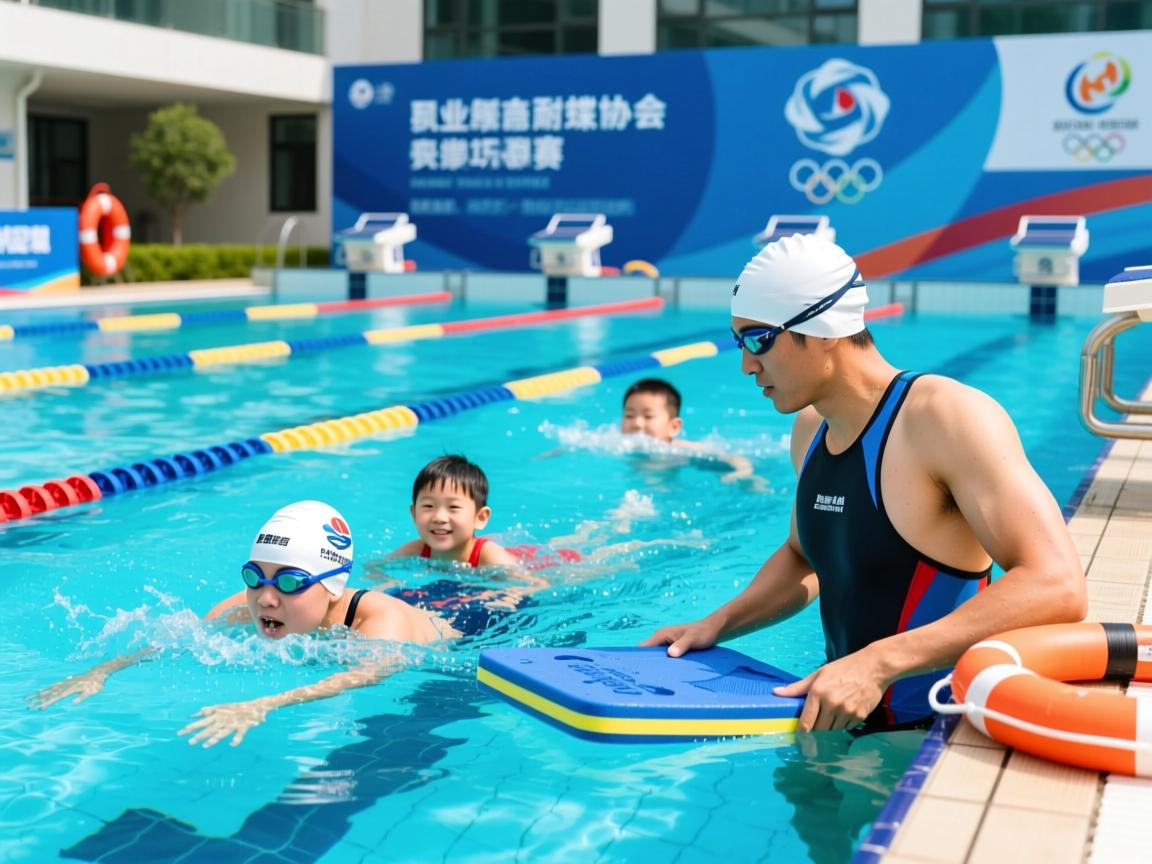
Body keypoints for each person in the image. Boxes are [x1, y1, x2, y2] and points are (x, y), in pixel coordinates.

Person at [641, 233, 1086, 733]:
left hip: (935, 734)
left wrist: (878, 664)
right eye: (739, 341)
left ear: (824, 328)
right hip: (836, 716)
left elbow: (1058, 584)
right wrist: (716, 624)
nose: (746, 363)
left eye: (759, 339)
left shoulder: (945, 417)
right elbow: (804, 556)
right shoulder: (811, 428)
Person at [29, 500, 517, 747]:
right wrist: (103, 670)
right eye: (254, 576)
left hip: (476, 627)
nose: (265, 597)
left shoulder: (379, 619)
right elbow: (179, 635)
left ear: (331, 585)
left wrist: (265, 703)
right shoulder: (255, 604)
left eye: (288, 582)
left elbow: (365, 676)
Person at [620, 377, 760, 486]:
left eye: (648, 416)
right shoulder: (617, 445)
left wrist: (743, 472)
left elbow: (732, 457)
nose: (637, 423)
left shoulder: (680, 450)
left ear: (674, 427)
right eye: (629, 415)